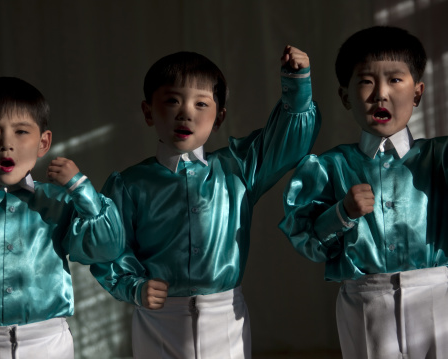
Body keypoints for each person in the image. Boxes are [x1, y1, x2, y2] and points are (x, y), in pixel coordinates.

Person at [91, 47, 321, 358]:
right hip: (158, 318)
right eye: (172, 101)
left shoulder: (237, 169)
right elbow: (109, 247)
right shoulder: (129, 184)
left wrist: (298, 81)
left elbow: (288, 140)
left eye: (201, 103)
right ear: (148, 111)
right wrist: (133, 287)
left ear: (219, 117)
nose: (186, 113)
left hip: (225, 314)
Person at [278, 26, 448, 358]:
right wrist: (342, 213)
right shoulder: (329, 167)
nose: (380, 93)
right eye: (367, 81)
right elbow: (308, 241)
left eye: (396, 80)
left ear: (418, 93)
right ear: (345, 96)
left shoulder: (438, 158)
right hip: (366, 301)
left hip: (437, 296)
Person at [0, 76, 124, 359]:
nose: (6, 144)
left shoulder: (60, 200)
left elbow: (107, 249)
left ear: (43, 142)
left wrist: (81, 188)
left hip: (49, 343)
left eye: (21, 132)